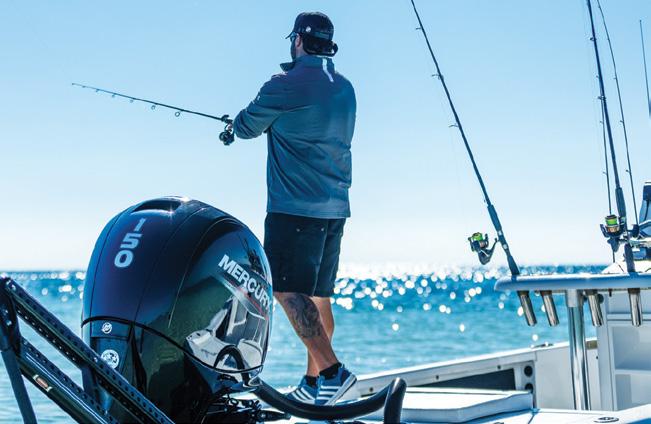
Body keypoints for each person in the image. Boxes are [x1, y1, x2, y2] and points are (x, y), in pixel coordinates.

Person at [231, 12, 356, 406]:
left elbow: (246, 127)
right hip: (334, 209)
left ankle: (333, 371)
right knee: (318, 295)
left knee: (286, 290)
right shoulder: (345, 88)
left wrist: (236, 124)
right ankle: (314, 381)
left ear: (298, 40)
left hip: (294, 209)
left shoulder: (283, 85)